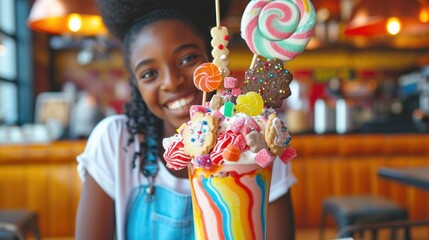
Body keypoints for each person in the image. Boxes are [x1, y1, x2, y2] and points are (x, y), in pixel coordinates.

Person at [75, 0, 297, 239]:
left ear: (213, 59)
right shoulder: (115, 142)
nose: (172, 81)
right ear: (136, 86)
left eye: (188, 59)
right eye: (149, 73)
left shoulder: (257, 143)